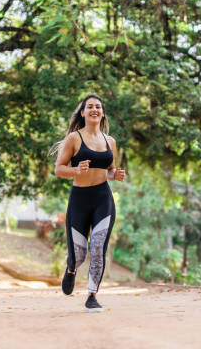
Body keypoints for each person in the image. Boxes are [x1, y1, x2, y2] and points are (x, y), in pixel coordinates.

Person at [53, 94, 125, 312]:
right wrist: (76, 169)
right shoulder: (74, 138)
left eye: (98, 107)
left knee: (98, 246)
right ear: (83, 112)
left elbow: (109, 170)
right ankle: (71, 268)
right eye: (90, 106)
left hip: (103, 199)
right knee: (80, 254)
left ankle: (92, 295)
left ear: (102, 113)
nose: (95, 109)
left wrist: (116, 175)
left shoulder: (109, 141)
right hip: (79, 200)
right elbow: (59, 169)